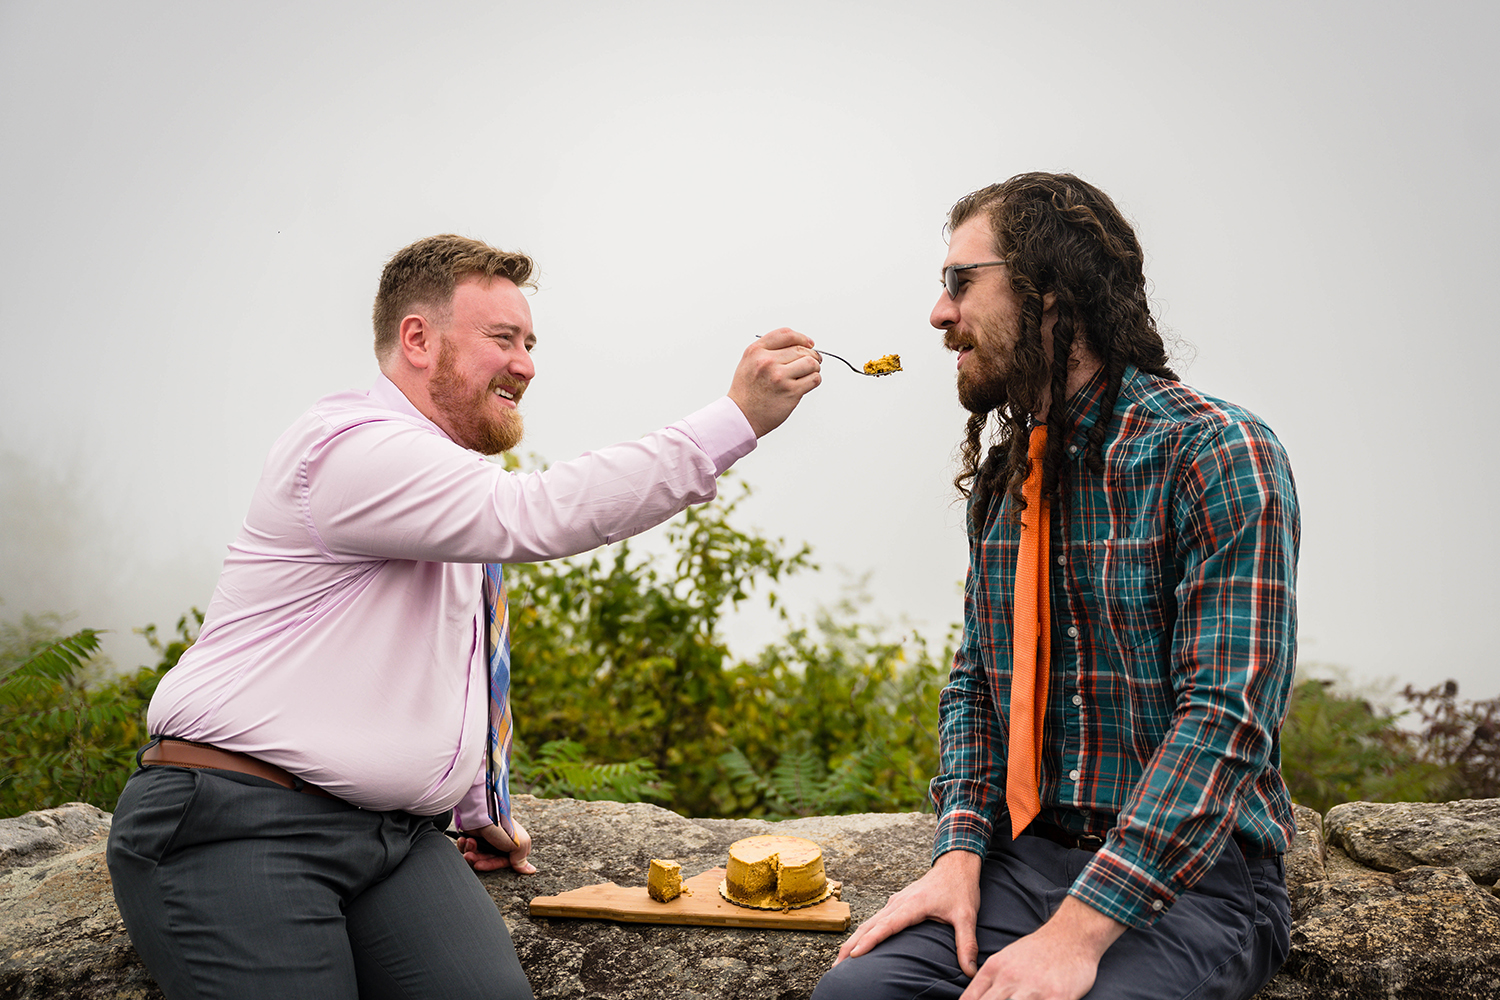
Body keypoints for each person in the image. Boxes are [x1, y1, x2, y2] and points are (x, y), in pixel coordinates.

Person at [106, 234, 822, 1000]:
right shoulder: (350, 448)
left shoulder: (440, 485)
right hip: (238, 818)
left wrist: (472, 802)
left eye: (531, 343)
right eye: (503, 339)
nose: (527, 364)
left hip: (394, 836)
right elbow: (534, 513)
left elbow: (441, 654)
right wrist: (735, 418)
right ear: (418, 339)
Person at [814, 173, 1298, 1000]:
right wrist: (960, 854)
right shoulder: (1011, 477)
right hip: (1025, 861)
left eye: (961, 282)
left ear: (1050, 291)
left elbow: (1226, 717)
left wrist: (1076, 933)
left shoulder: (1217, 454)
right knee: (855, 993)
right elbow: (976, 682)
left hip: (1194, 886)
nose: (939, 313)